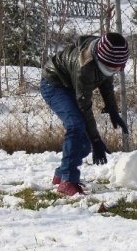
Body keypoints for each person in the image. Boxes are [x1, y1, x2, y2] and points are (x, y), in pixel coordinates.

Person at [40, 32, 129, 196]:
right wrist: (96, 140)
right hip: (54, 84)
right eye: (112, 67)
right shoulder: (84, 67)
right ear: (99, 59)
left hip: (71, 86)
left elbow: (106, 82)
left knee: (83, 143)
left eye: (119, 67)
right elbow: (84, 108)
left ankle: (61, 174)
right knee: (76, 126)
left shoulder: (105, 60)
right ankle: (67, 181)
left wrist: (113, 110)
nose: (115, 70)